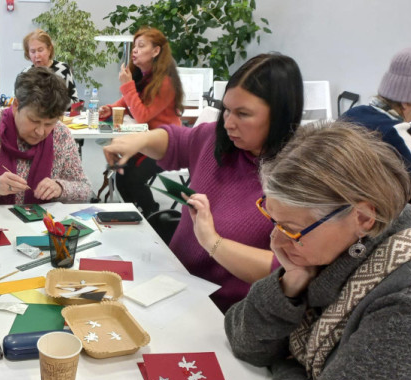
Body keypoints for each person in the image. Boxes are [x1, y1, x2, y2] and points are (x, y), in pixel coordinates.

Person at [225, 122, 411, 380]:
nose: (277, 241)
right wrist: (290, 285)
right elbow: (246, 343)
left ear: (363, 217)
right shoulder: (338, 248)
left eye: (292, 228)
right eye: (274, 220)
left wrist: (288, 362)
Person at [104, 53, 304, 312]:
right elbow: (177, 140)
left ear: (279, 116)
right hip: (174, 287)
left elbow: (289, 270)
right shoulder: (216, 138)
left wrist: (213, 242)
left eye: (243, 114)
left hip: (227, 312)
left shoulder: (298, 180)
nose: (229, 123)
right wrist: (140, 140)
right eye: (227, 110)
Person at [0, 67, 92, 205]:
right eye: (34, 121)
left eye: (49, 124)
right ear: (16, 106)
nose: (40, 132)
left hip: (42, 227)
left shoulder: (61, 135)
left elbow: (85, 190)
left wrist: (60, 188)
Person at [98, 27, 185, 217]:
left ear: (156, 51)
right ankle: (137, 214)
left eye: (141, 46)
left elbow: (142, 115)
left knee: (134, 178)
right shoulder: (143, 77)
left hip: (166, 144)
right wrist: (111, 109)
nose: (134, 50)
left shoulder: (166, 82)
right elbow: (127, 101)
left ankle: (150, 211)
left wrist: (126, 85)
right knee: (120, 175)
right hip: (145, 140)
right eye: (134, 46)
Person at [342, 47, 411, 209]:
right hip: (383, 220)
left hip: (346, 209)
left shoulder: (353, 114)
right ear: (406, 102)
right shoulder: (396, 131)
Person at [21, 29, 79, 105]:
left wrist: (54, 101)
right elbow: (21, 103)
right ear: (28, 53)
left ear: (49, 49)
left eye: (40, 50)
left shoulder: (63, 69)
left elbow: (75, 102)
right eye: (33, 51)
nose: (37, 55)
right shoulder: (26, 74)